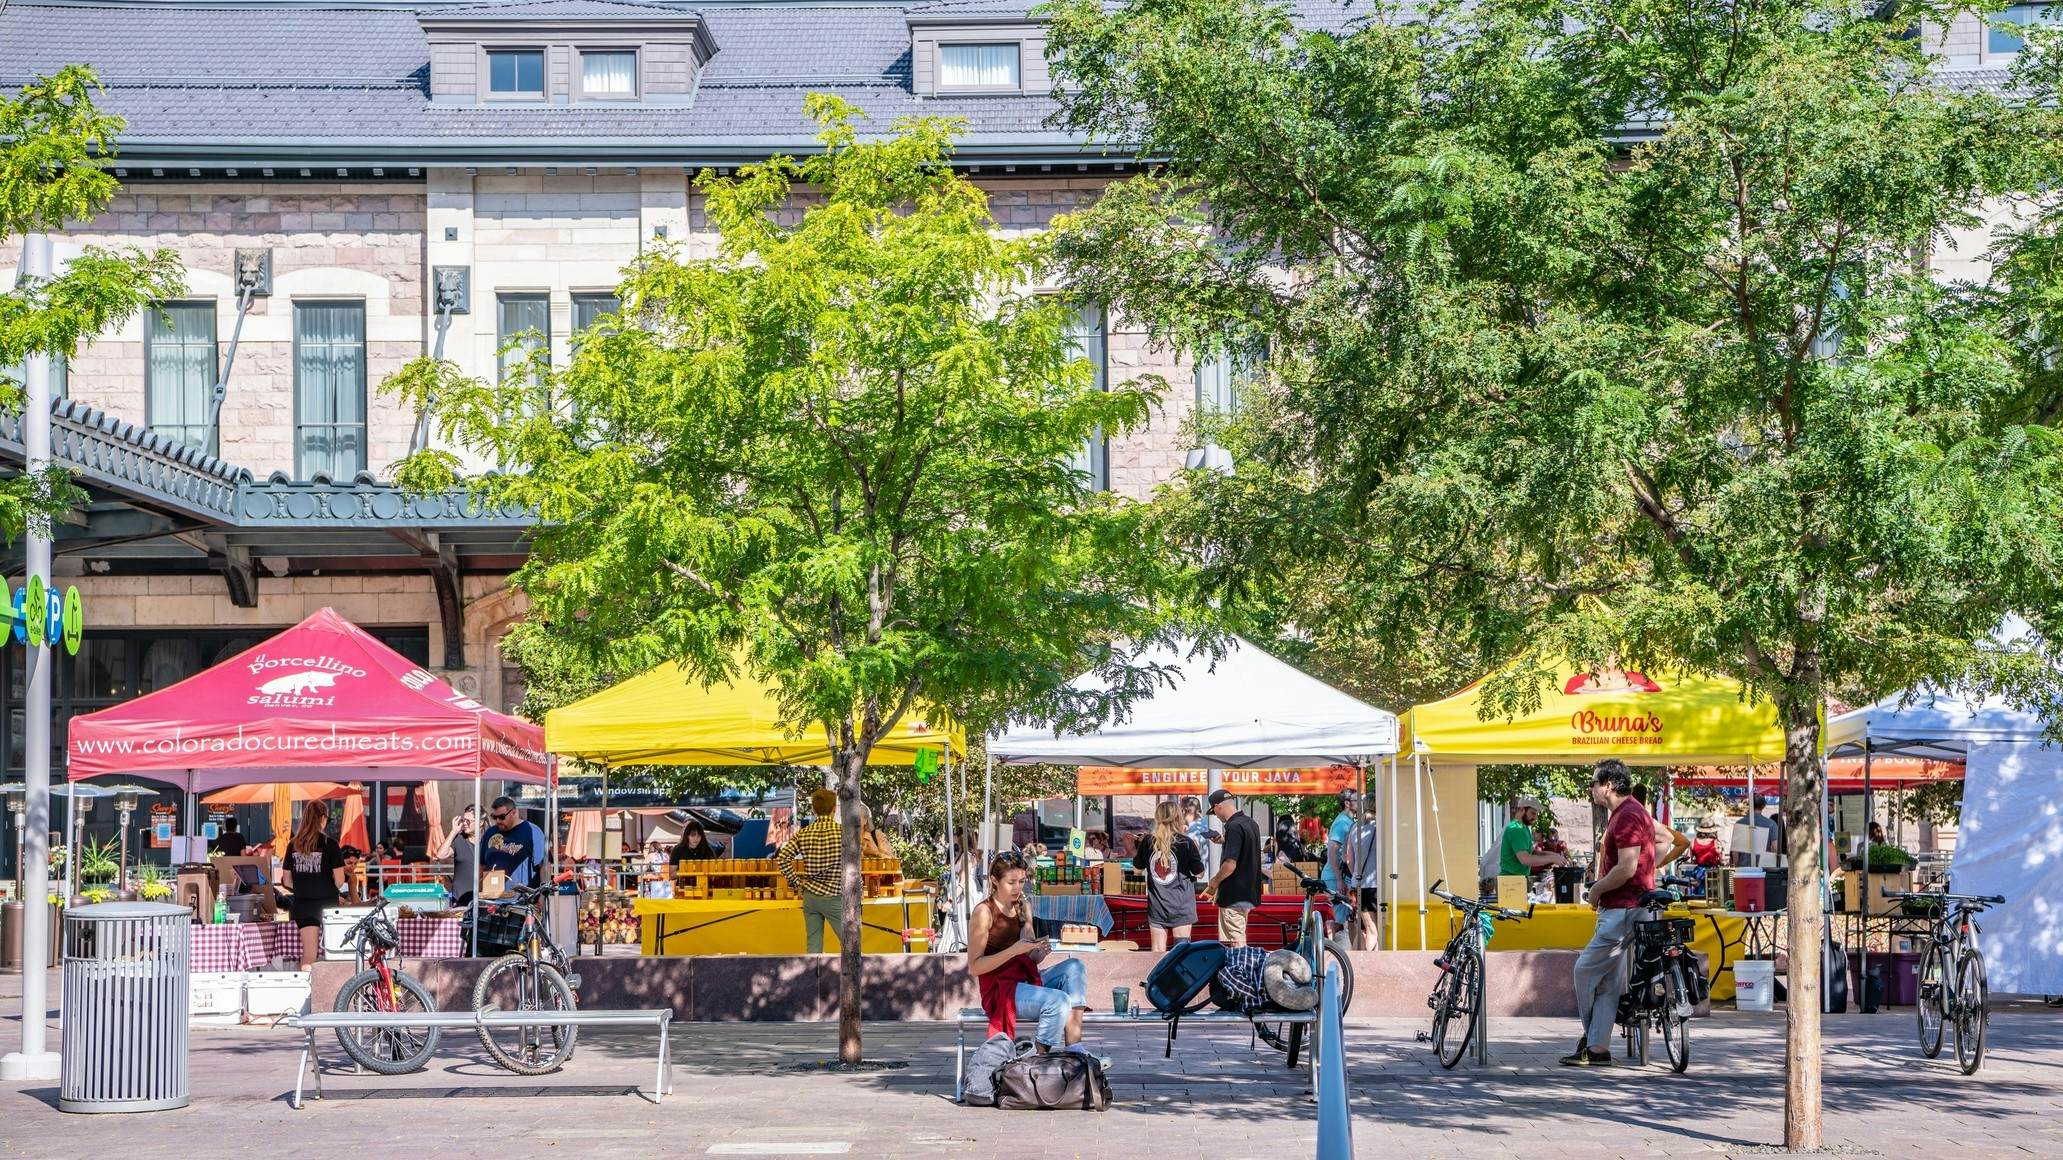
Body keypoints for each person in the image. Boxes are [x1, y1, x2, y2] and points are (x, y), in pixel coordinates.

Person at [967, 851, 1105, 1070]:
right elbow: (975, 966)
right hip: (999, 989)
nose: (1017, 888)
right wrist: (1013, 951)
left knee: (1075, 966)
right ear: (994, 880)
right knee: (1058, 1001)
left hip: (1024, 980)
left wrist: (1039, 951)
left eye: (1021, 881)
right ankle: (1034, 1060)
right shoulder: (984, 912)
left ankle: (1074, 1047)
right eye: (1011, 882)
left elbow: (1029, 957)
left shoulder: (1023, 906)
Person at [1563, 759, 1657, 1067]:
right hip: (1627, 907)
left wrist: (1597, 889)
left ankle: (1590, 1037)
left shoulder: (1627, 815)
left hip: (1621, 908)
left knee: (1584, 970)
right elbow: (1666, 840)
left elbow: (1627, 867)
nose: (1590, 789)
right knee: (1607, 982)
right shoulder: (1631, 813)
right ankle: (1598, 1048)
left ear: (1608, 785)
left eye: (1592, 783)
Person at [776, 788, 844, 954]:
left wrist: (797, 883)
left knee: (813, 944)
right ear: (834, 808)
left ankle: (813, 978)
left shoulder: (804, 834)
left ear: (813, 809)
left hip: (811, 896)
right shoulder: (844, 833)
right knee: (849, 942)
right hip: (835, 895)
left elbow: (782, 858)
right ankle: (852, 978)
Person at [279, 800, 345, 970]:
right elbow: (340, 878)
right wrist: (326, 887)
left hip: (303, 905)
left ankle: (308, 993)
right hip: (329, 905)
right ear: (322, 818)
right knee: (336, 953)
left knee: (309, 955)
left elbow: (286, 880)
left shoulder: (293, 845)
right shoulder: (330, 844)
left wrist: (304, 887)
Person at [1131, 800, 1204, 951]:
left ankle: (1158, 976)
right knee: (1181, 953)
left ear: (1157, 817)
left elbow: (1137, 870)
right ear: (1178, 817)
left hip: (1157, 905)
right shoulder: (1186, 842)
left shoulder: (1148, 842)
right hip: (1182, 905)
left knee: (1157, 953)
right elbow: (1200, 873)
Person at [1200, 789, 1263, 948]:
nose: (1217, 816)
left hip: (1234, 894)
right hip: (1248, 891)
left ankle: (1240, 970)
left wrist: (1213, 882)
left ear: (1217, 806)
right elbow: (1245, 849)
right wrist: (1222, 840)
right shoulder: (1251, 823)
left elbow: (1230, 864)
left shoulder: (1233, 827)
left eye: (1214, 812)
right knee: (1239, 934)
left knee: (1235, 940)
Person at [1339, 798, 1383, 950]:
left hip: (1358, 883)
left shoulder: (1354, 828)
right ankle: (1372, 966)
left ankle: (1367, 964)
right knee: (1377, 930)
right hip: (1379, 884)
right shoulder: (1381, 827)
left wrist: (1356, 874)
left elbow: (1348, 859)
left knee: (1369, 929)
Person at [480, 795, 547, 892]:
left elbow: (544, 865)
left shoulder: (532, 831)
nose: (498, 821)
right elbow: (482, 865)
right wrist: (478, 892)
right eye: (495, 817)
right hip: (491, 899)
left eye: (502, 817)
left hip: (521, 901)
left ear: (514, 812)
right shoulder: (490, 833)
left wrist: (542, 894)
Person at [1499, 797, 1568, 885]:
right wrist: (1551, 858)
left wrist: (1554, 855)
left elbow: (1533, 852)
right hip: (1510, 881)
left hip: (1516, 880)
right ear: (1522, 809)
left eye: (1536, 814)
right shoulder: (1516, 829)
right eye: (1532, 813)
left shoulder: (1524, 828)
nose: (1535, 817)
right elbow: (1525, 859)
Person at [432, 804, 479, 904]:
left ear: (480, 822)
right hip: (460, 896)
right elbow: (440, 855)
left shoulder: (487, 840)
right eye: (463, 820)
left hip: (482, 896)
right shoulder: (459, 839)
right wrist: (453, 831)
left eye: (468, 821)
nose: (465, 823)